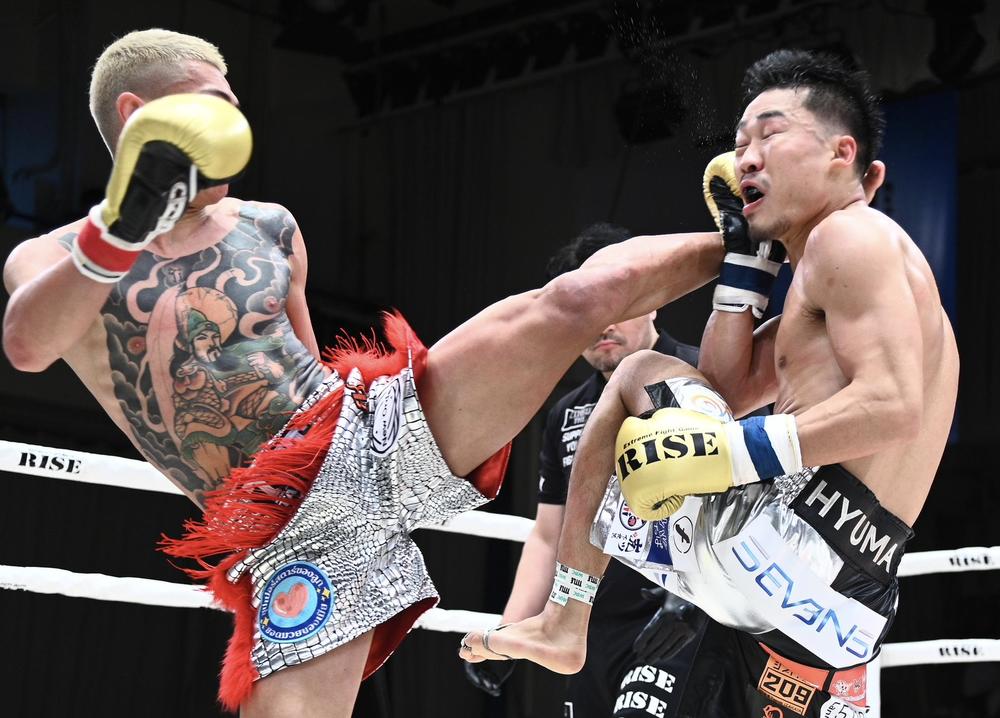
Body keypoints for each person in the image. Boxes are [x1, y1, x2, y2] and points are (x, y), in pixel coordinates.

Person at [1, 29, 730, 718]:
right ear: (139, 115)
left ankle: (753, 238)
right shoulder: (56, 257)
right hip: (292, 525)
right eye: (213, 106)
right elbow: (28, 345)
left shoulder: (267, 225)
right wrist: (126, 221)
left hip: (369, 426)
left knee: (571, 300)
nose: (232, 126)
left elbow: (302, 369)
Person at [460, 48, 958, 718]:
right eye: (740, 144)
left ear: (842, 155)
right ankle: (567, 624)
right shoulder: (839, 283)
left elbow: (892, 408)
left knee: (637, 370)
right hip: (848, 605)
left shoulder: (851, 237)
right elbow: (721, 389)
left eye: (770, 135)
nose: (746, 158)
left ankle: (566, 618)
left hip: (786, 546)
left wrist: (729, 455)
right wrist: (746, 267)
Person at [464, 222, 710, 717]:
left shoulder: (705, 375)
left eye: (616, 304)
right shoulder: (566, 413)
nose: (602, 324)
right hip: (591, 626)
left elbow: (749, 497)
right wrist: (512, 629)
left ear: (654, 299)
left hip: (682, 623)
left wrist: (697, 597)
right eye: (588, 310)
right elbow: (547, 535)